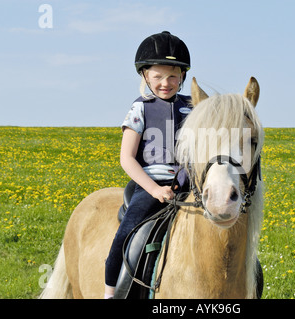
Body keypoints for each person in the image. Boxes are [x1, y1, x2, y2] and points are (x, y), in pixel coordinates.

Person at [104, 31, 192, 299]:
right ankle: (111, 294)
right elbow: (126, 159)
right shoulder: (140, 108)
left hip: (188, 184)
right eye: (158, 76)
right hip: (150, 185)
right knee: (126, 233)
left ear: (182, 77)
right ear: (145, 76)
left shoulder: (194, 107)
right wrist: (155, 190)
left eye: (173, 76)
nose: (166, 83)